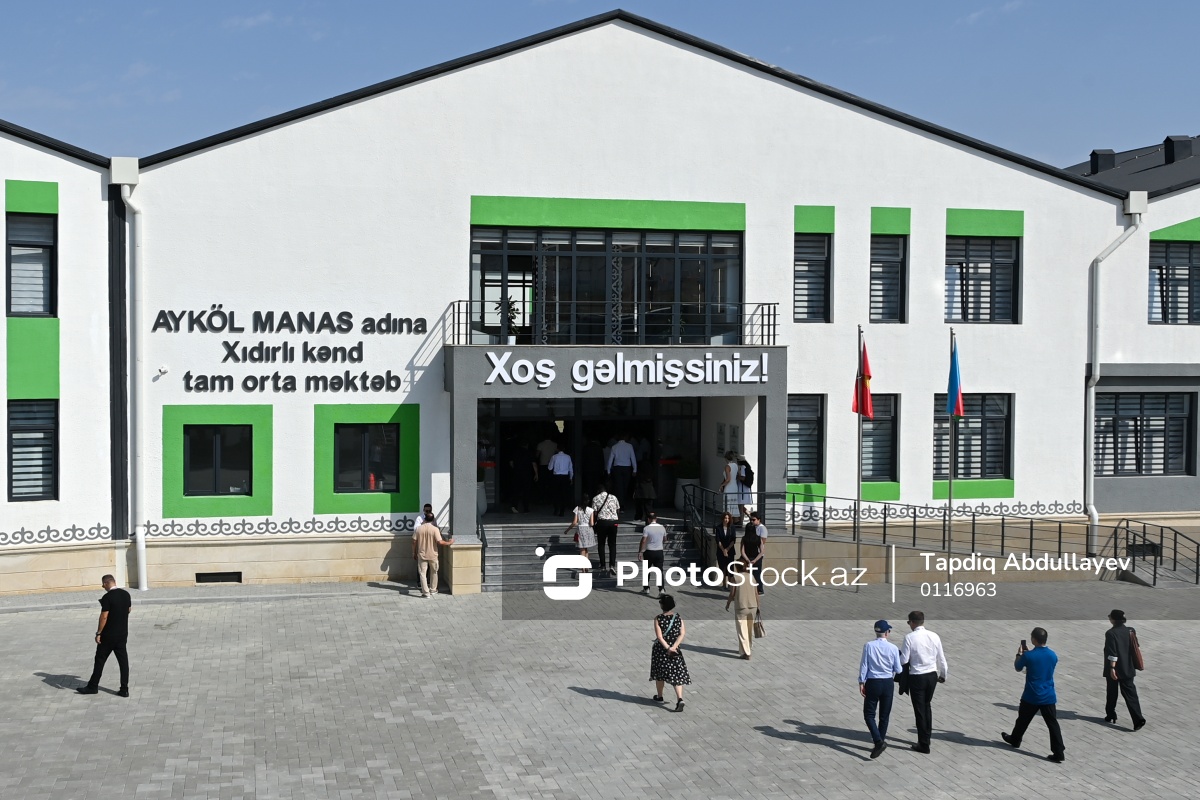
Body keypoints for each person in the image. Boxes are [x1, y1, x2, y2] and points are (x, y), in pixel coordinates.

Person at [1001, 627, 1066, 762]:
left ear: (1034, 639)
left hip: (1032, 695)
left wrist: (1019, 654)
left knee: (1023, 719)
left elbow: (1018, 667)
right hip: (1048, 695)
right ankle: (1059, 752)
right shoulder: (1053, 655)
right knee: (1052, 724)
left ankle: (1015, 739)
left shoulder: (1028, 656)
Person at [899, 610, 948, 753]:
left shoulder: (909, 637)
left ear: (912, 622)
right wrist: (943, 675)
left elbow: (904, 660)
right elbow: (941, 658)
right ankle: (927, 737)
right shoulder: (934, 636)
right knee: (927, 706)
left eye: (909, 622)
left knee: (919, 710)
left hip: (917, 676)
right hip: (932, 676)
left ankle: (923, 744)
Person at [76, 574, 132, 697]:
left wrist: (99, 633)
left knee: (100, 660)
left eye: (103, 585)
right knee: (123, 662)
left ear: (106, 584)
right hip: (122, 634)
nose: (103, 587)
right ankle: (124, 689)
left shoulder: (107, 597)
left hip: (108, 636)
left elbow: (104, 616)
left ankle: (92, 686)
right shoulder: (126, 594)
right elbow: (128, 610)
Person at [859, 620, 903, 759]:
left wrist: (861, 681)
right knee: (884, 715)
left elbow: (864, 665)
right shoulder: (893, 648)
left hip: (873, 682)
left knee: (869, 714)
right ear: (887, 633)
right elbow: (898, 669)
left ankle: (878, 742)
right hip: (888, 683)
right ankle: (880, 741)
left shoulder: (868, 645)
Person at [1103, 609, 1146, 729]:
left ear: (1113, 619)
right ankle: (1138, 719)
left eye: (1110, 616)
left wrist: (1112, 668)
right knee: (1131, 694)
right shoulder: (1130, 630)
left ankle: (1110, 714)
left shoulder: (1111, 633)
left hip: (1115, 668)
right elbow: (1136, 646)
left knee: (1112, 693)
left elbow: (1112, 653)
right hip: (1128, 667)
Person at [649, 593, 690, 712]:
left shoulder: (658, 618)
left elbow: (659, 637)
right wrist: (674, 647)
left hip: (661, 651)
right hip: (675, 651)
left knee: (659, 674)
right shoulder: (678, 617)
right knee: (676, 675)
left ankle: (660, 696)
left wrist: (667, 648)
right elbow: (682, 633)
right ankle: (680, 698)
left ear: (662, 605)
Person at [724, 560, 759, 659]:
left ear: (737, 567)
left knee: (742, 630)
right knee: (749, 629)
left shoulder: (735, 578)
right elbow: (756, 593)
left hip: (741, 606)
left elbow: (732, 593)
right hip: (753, 606)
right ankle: (747, 647)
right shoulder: (751, 576)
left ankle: (747, 653)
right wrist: (758, 606)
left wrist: (728, 603)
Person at [412, 516, 454, 597]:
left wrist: (414, 552)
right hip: (433, 554)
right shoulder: (435, 529)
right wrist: (449, 542)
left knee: (422, 574)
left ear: (424, 519)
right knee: (434, 572)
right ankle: (433, 589)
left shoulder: (418, 529)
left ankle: (426, 592)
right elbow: (440, 542)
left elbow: (414, 541)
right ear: (433, 520)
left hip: (422, 554)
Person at [592, 483, 620, 576]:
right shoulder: (614, 497)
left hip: (602, 523)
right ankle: (612, 565)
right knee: (612, 544)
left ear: (598, 490)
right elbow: (618, 510)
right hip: (613, 522)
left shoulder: (595, 498)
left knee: (601, 544)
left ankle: (603, 565)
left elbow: (595, 513)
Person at [606, 433, 637, 513]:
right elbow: (633, 458)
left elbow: (610, 460)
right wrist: (635, 470)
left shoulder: (614, 447)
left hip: (617, 468)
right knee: (625, 486)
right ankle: (623, 504)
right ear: (625, 437)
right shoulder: (629, 446)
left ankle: (620, 505)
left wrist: (608, 471)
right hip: (627, 468)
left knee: (619, 487)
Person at [565, 493, 596, 571]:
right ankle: (587, 566)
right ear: (588, 501)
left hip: (581, 529)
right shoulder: (591, 510)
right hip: (588, 529)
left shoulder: (577, 509)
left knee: (582, 549)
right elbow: (592, 523)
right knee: (586, 549)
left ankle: (583, 567)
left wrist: (567, 530)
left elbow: (574, 522)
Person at [639, 511, 667, 596]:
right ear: (656, 519)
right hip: (659, 551)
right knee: (659, 571)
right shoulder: (662, 527)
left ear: (648, 519)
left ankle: (646, 588)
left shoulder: (646, 528)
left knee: (646, 570)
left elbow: (644, 540)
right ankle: (661, 589)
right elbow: (665, 539)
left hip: (649, 551)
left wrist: (640, 552)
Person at [547, 444, 574, 517]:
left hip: (556, 477)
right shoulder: (568, 457)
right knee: (564, 494)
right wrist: (571, 478)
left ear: (557, 449)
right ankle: (562, 511)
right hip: (565, 477)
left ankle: (556, 509)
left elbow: (550, 468)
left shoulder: (554, 457)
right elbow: (570, 468)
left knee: (555, 493)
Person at [740, 515, 765, 596]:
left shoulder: (744, 538)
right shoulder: (758, 538)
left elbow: (742, 551)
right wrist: (755, 560)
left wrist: (748, 560)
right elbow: (762, 551)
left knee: (745, 575)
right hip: (756, 558)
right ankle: (759, 590)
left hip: (746, 559)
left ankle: (745, 591)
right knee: (757, 575)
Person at [714, 511, 738, 588]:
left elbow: (733, 540)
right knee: (722, 568)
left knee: (730, 568)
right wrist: (723, 550)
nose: (726, 520)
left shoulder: (732, 527)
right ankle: (724, 584)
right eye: (725, 518)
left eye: (728, 518)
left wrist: (727, 549)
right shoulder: (718, 528)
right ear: (723, 519)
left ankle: (730, 585)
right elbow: (718, 540)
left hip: (730, 551)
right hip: (721, 551)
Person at [720, 450, 740, 515]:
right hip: (734, 486)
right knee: (734, 505)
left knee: (727, 505)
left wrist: (722, 485)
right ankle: (735, 519)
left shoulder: (727, 466)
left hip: (729, 487)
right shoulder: (735, 465)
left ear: (726, 458)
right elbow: (738, 475)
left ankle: (727, 519)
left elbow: (728, 479)